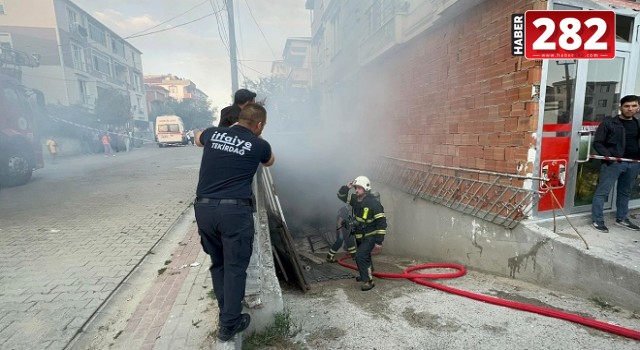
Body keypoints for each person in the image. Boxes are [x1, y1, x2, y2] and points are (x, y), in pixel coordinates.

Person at [194, 103, 275, 341]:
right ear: (259, 125)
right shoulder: (259, 144)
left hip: (204, 209)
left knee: (218, 264)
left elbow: (197, 138)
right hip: (234, 213)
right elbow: (270, 161)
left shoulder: (212, 133)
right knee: (235, 267)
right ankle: (229, 324)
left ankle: (225, 313)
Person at [591, 95, 640, 233]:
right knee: (603, 192)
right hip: (614, 164)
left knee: (625, 192)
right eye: (626, 106)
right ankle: (597, 220)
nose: (630, 109)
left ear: (638, 107)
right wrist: (611, 158)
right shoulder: (609, 123)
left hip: (634, 164)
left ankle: (622, 218)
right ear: (620, 107)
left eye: (633, 106)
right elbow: (598, 143)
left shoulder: (638, 123)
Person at [337, 176, 387, 291]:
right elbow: (340, 196)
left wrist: (379, 242)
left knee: (360, 256)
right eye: (356, 188)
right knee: (363, 256)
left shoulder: (374, 204)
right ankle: (366, 273)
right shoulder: (355, 199)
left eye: (359, 188)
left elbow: (382, 223)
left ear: (366, 189)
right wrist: (346, 188)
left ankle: (368, 281)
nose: (356, 190)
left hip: (370, 236)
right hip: (359, 236)